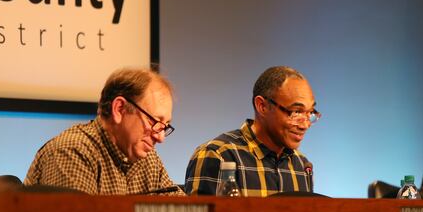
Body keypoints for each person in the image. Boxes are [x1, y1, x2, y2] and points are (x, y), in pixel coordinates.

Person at [24, 66, 185, 196]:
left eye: (165, 126)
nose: (160, 137)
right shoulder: (71, 152)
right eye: (154, 121)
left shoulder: (148, 159)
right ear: (119, 109)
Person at [185, 66, 319, 196]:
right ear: (262, 106)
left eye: (310, 113)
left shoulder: (302, 166)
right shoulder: (218, 155)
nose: (305, 125)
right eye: (296, 112)